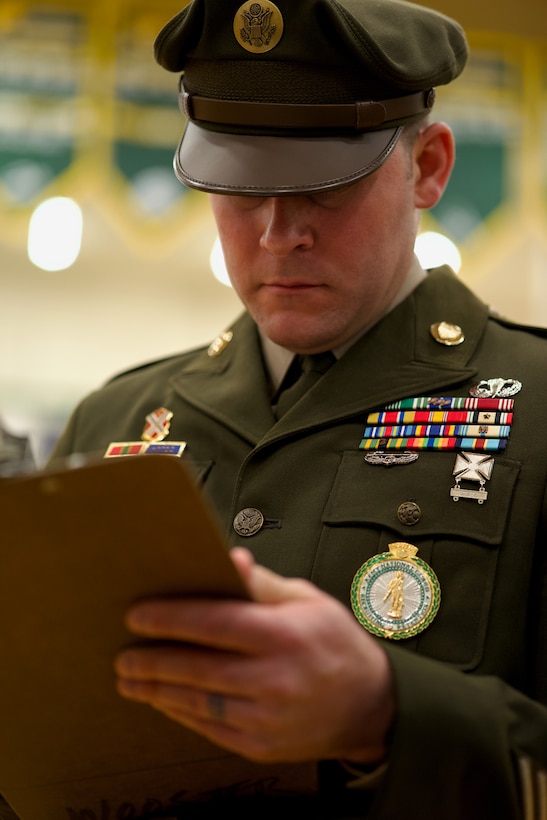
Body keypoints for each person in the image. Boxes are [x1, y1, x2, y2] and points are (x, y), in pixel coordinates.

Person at [6, 0, 547, 818]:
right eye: (239, 184)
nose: (276, 232)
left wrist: (386, 711)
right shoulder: (117, 417)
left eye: (325, 186)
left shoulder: (535, 406)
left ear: (427, 167)